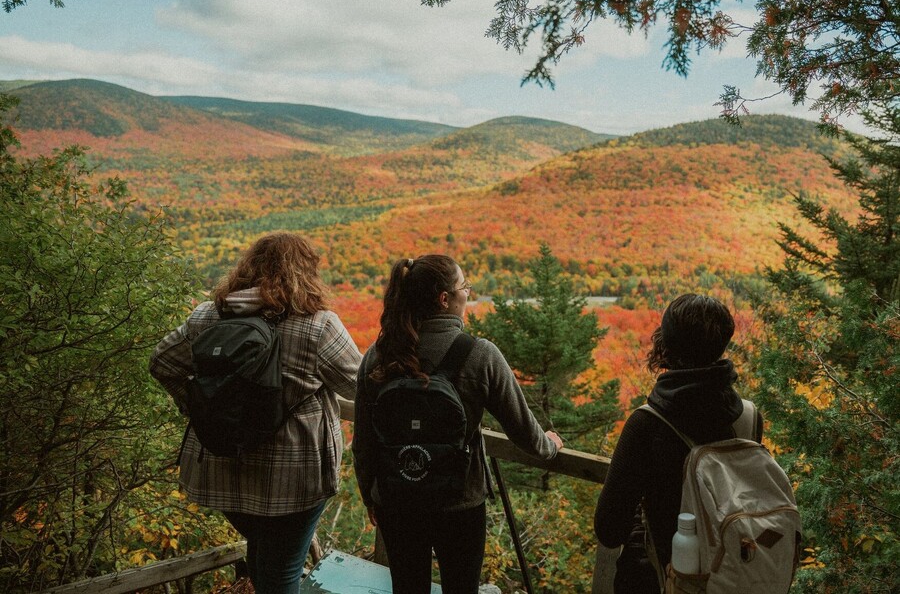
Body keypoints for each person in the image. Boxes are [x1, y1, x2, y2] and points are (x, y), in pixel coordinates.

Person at [150, 232, 361, 594]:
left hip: (223, 470)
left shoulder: (207, 317)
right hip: (294, 478)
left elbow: (162, 362)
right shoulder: (317, 326)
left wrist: (198, 404)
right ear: (305, 273)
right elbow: (360, 387)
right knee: (281, 572)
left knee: (265, 554)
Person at [352, 255, 563, 594]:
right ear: (445, 299)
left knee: (407, 588)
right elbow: (523, 430)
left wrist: (370, 495)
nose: (469, 293)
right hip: (460, 501)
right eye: (465, 287)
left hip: (397, 498)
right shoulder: (480, 354)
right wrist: (550, 446)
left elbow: (364, 442)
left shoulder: (377, 356)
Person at [593, 294, 763, 594]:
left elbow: (609, 530)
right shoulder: (748, 418)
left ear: (665, 345)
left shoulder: (646, 425)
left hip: (657, 579)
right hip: (730, 573)